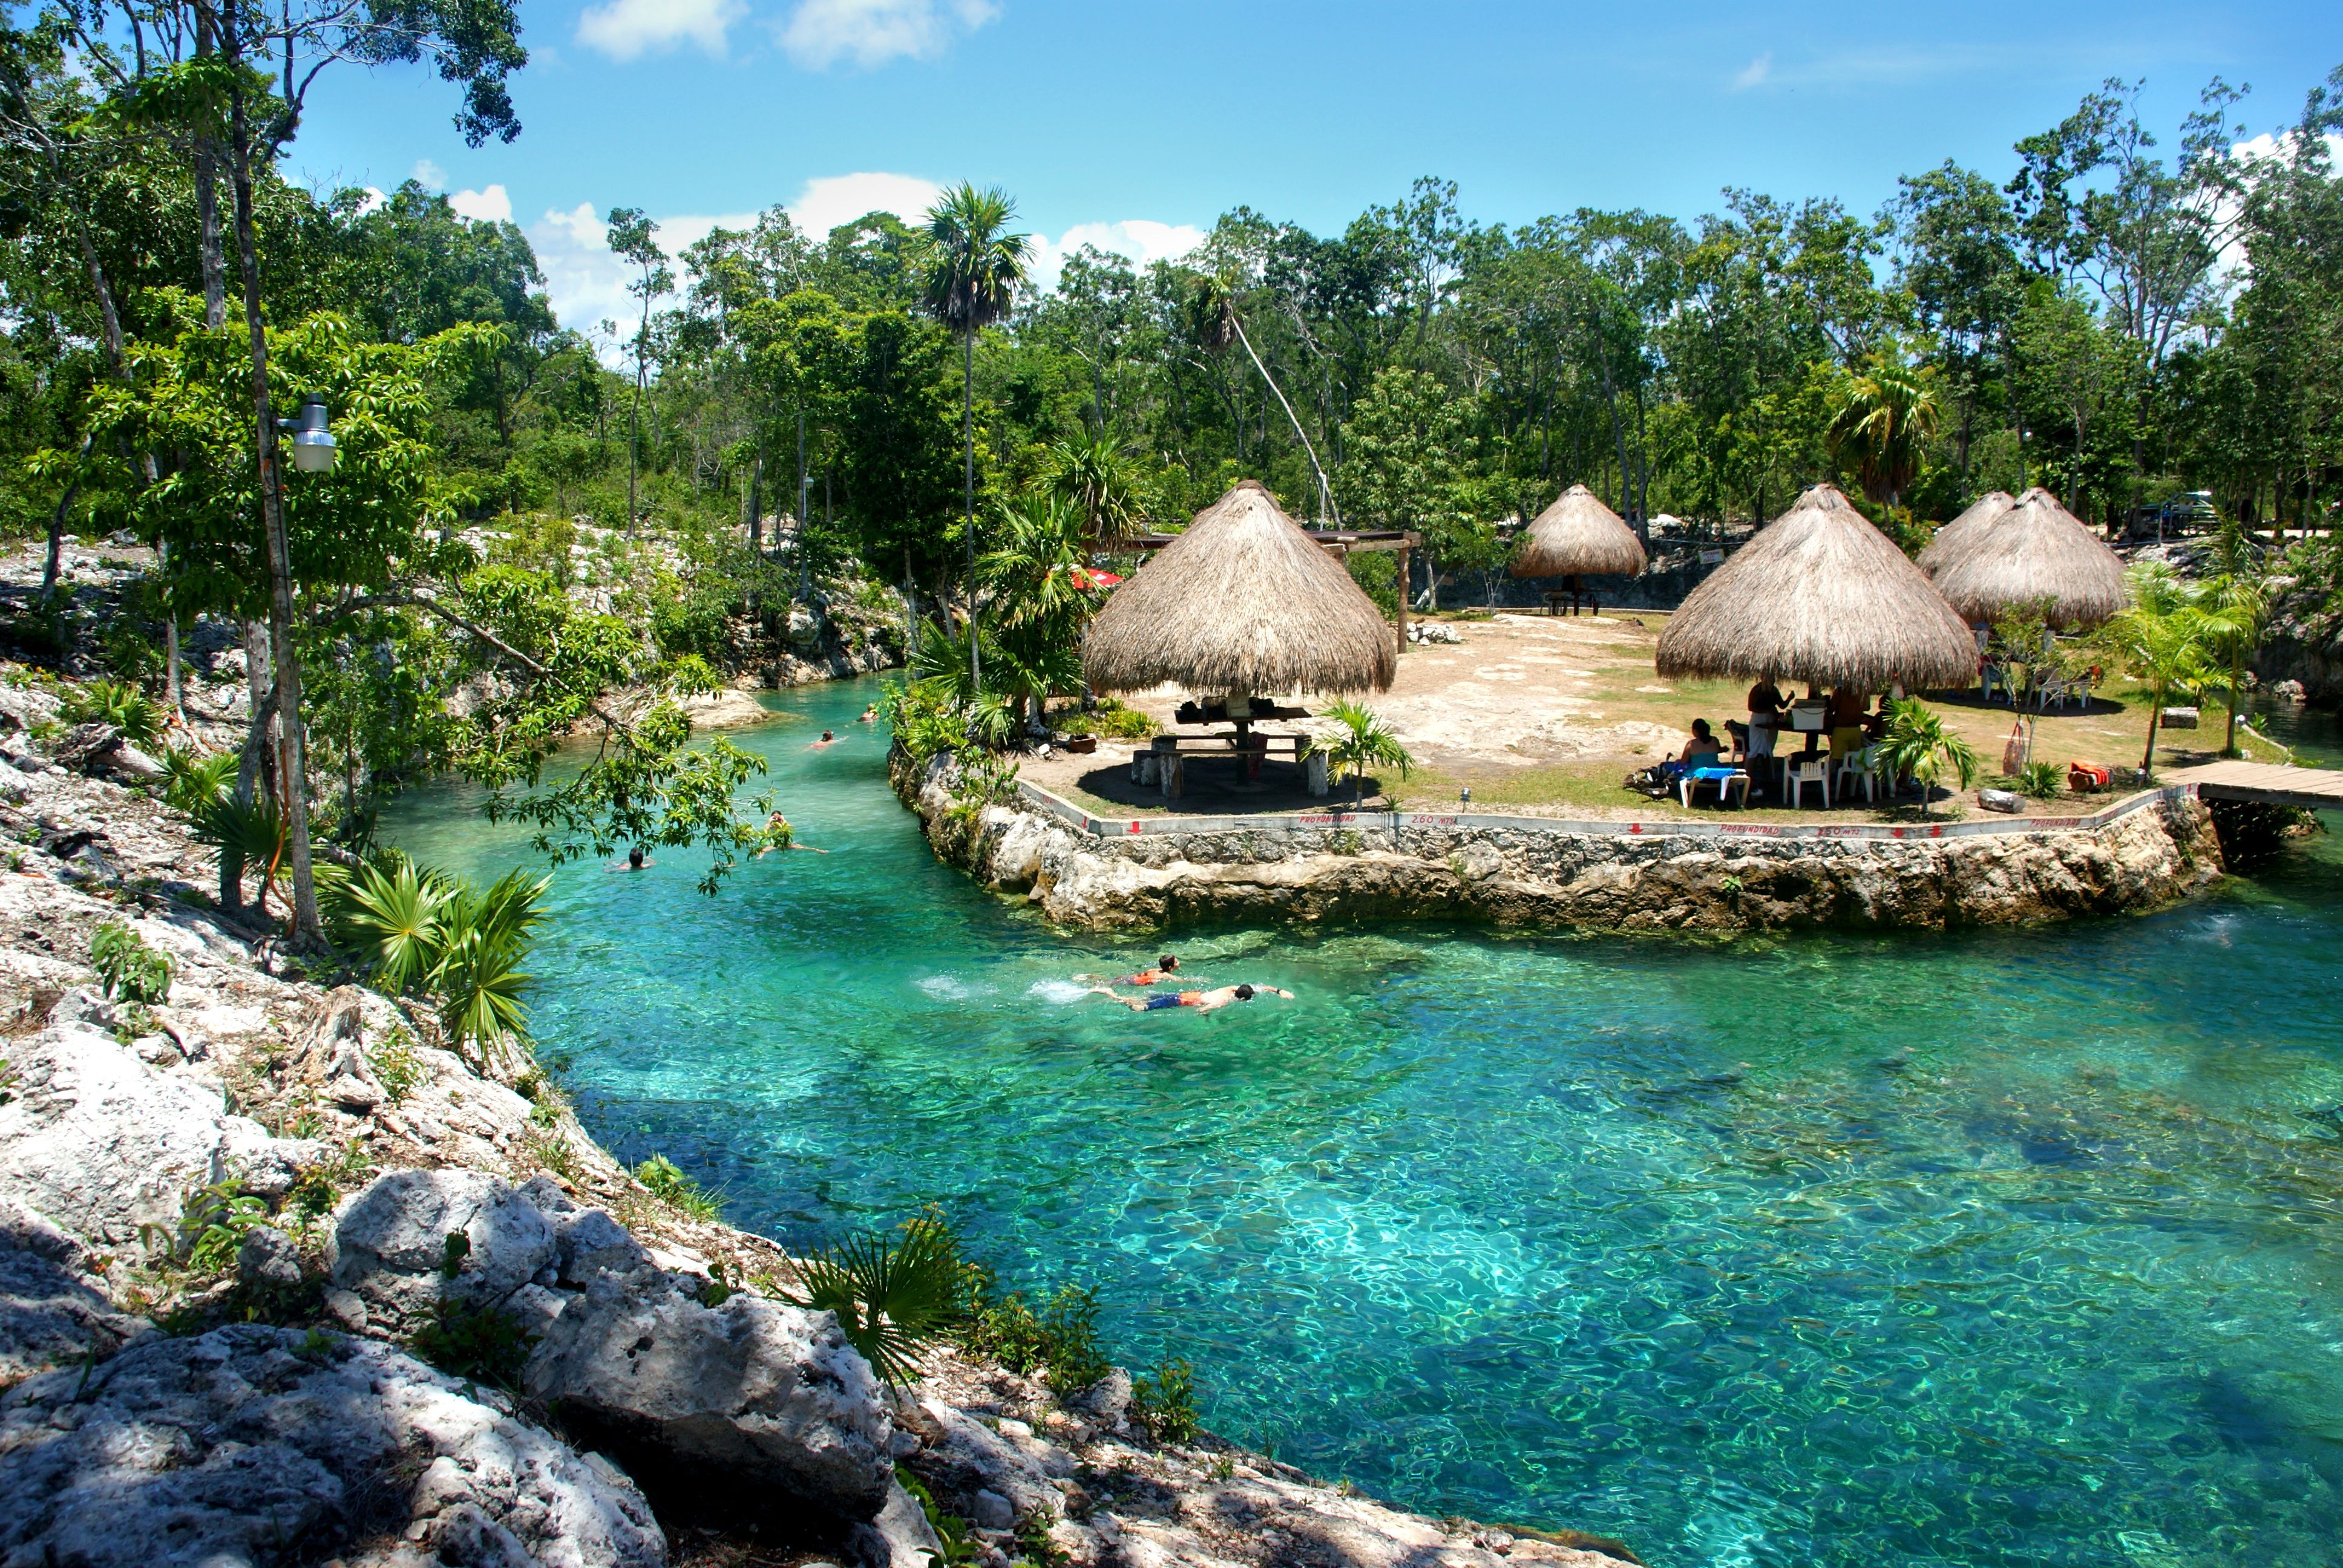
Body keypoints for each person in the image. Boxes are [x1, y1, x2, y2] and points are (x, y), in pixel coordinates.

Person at [1091, 982, 1294, 1014]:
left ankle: (1116, 993)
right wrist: (1207, 1019)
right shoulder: (1223, 1002)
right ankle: (1111, 994)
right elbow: (1201, 1011)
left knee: (1143, 998)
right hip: (1181, 1002)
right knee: (1138, 1009)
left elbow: (1258, 987)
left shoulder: (1230, 989)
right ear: (1241, 1000)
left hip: (1188, 994)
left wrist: (1278, 991)